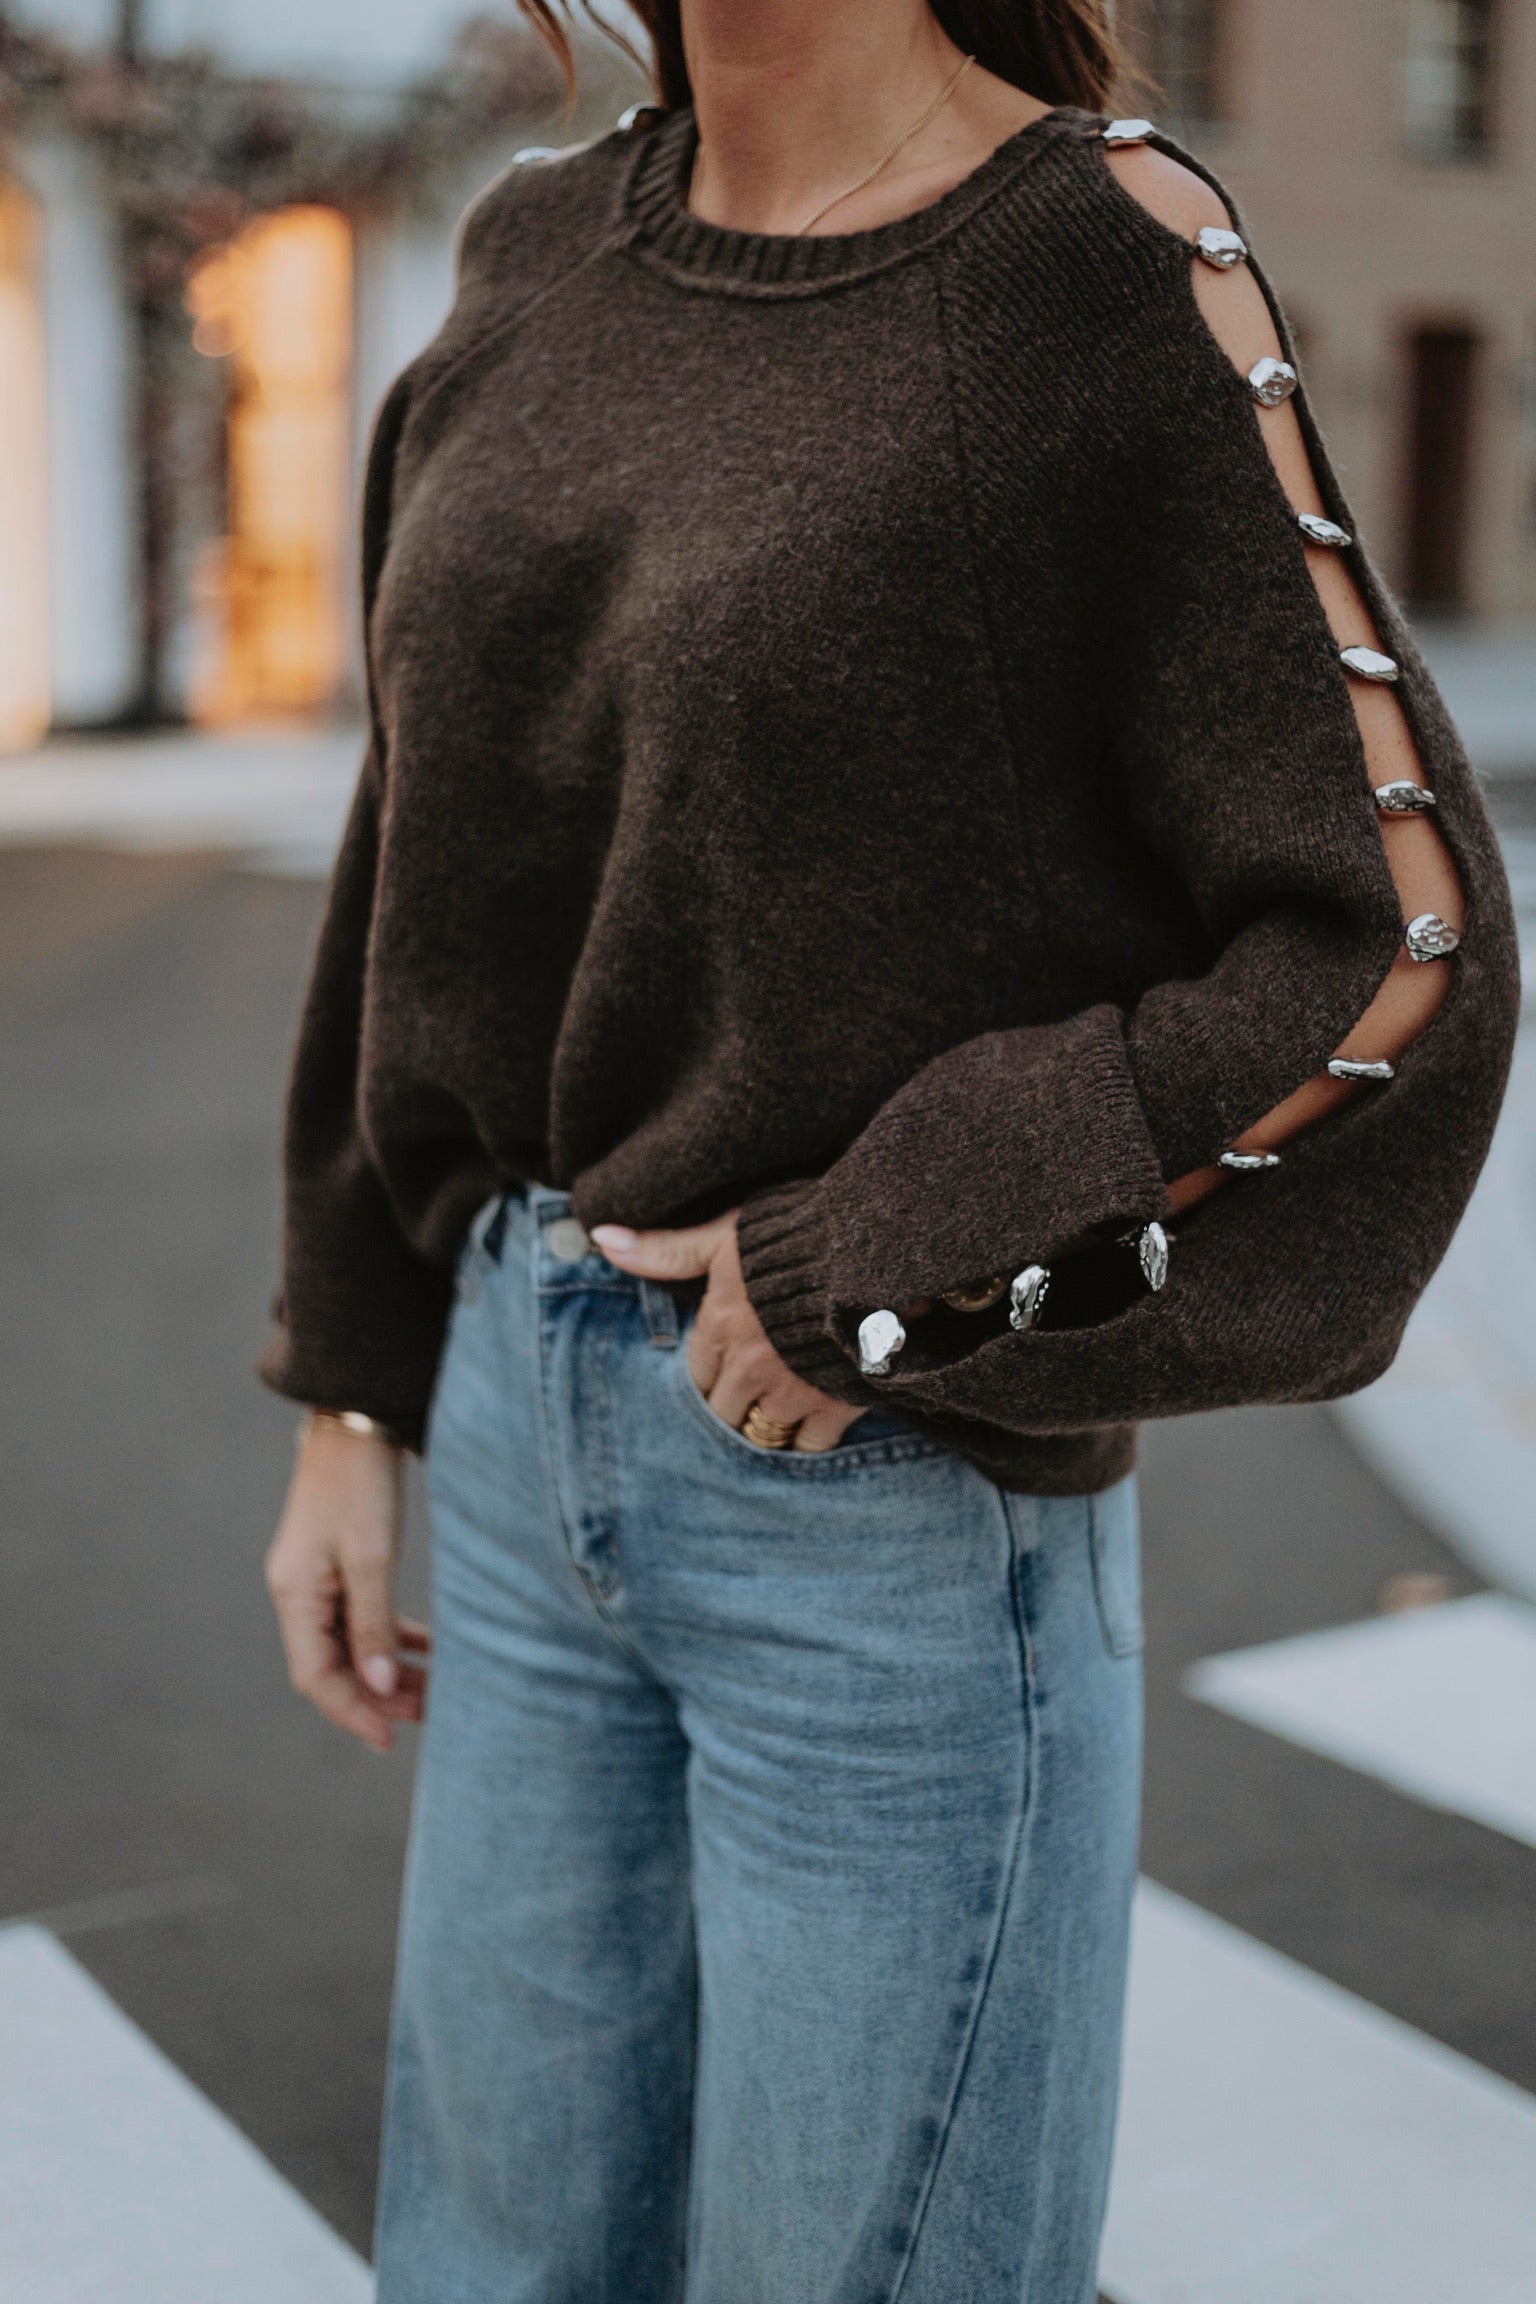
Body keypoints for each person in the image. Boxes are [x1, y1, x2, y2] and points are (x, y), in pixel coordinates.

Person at [261, 1, 1518, 2295]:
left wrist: (903, 1245)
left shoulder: (1102, 257)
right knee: (486, 2268)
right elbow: (413, 847)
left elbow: (1396, 936)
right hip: (520, 1430)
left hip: (881, 1500)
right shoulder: (535, 247)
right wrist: (354, 1382)